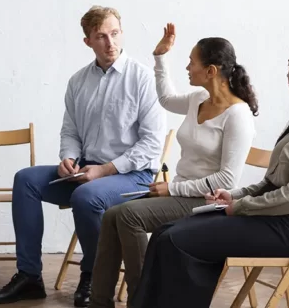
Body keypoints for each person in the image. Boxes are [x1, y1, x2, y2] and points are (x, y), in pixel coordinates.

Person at [129, 34, 289, 307]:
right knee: (166, 233)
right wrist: (234, 196)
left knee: (176, 241)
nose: (286, 72)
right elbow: (273, 182)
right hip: (272, 213)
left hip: (286, 226)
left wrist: (239, 207)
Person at [0, 6, 167, 307]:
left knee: (86, 196)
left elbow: (151, 145)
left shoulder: (143, 79)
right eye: (101, 37)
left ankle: (94, 276)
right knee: (25, 180)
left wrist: (105, 170)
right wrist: (68, 158)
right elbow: (70, 131)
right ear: (88, 42)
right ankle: (29, 275)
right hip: (86, 171)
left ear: (122, 32)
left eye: (115, 33)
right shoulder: (78, 81)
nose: (110, 43)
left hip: (133, 176)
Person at [89, 23, 258, 308]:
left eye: (192, 62)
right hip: (179, 194)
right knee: (111, 216)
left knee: (129, 217)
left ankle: (142, 300)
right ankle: (98, 302)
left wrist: (173, 188)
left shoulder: (238, 116)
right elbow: (166, 98)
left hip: (206, 202)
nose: (188, 67)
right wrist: (159, 57)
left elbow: (227, 180)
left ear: (211, 71)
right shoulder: (198, 99)